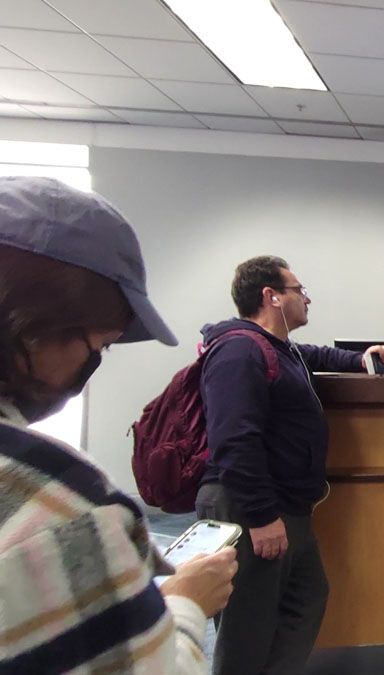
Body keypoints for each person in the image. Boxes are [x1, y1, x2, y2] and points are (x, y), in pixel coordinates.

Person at [0, 176, 237, 673]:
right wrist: (186, 604)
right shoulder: (63, 509)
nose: (94, 364)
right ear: (37, 321)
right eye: (101, 344)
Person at [196, 255, 384, 675]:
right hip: (251, 506)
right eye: (299, 290)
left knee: (306, 599)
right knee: (248, 627)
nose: (307, 298)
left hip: (287, 506)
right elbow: (233, 439)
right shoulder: (238, 350)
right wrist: (261, 516)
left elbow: (315, 354)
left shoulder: (280, 350)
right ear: (271, 296)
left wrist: (360, 359)